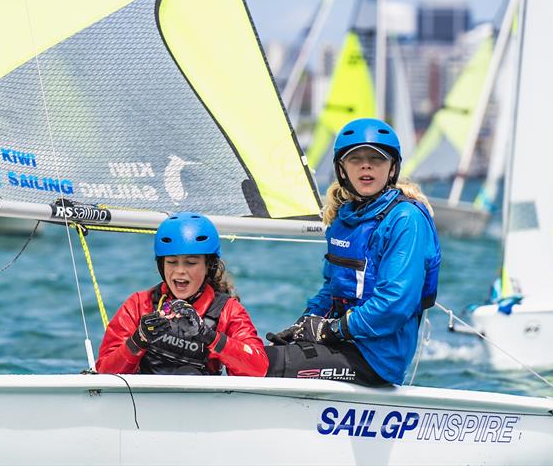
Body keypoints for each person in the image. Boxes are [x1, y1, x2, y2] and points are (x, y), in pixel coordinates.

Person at [266, 118, 441, 386]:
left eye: (377, 158)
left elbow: (394, 304)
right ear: (342, 169)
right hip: (345, 343)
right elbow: (332, 289)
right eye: (355, 158)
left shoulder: (406, 219)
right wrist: (306, 323)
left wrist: (332, 330)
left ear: (392, 167)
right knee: (259, 356)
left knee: (268, 366)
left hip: (378, 358)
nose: (366, 165)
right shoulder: (343, 219)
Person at [96, 212, 269, 376]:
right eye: (172, 262)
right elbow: (104, 372)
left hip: (202, 402)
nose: (180, 271)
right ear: (161, 266)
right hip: (146, 401)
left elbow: (258, 368)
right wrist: (138, 339)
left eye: (191, 263)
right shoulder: (139, 304)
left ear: (209, 265)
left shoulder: (229, 310)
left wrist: (207, 336)